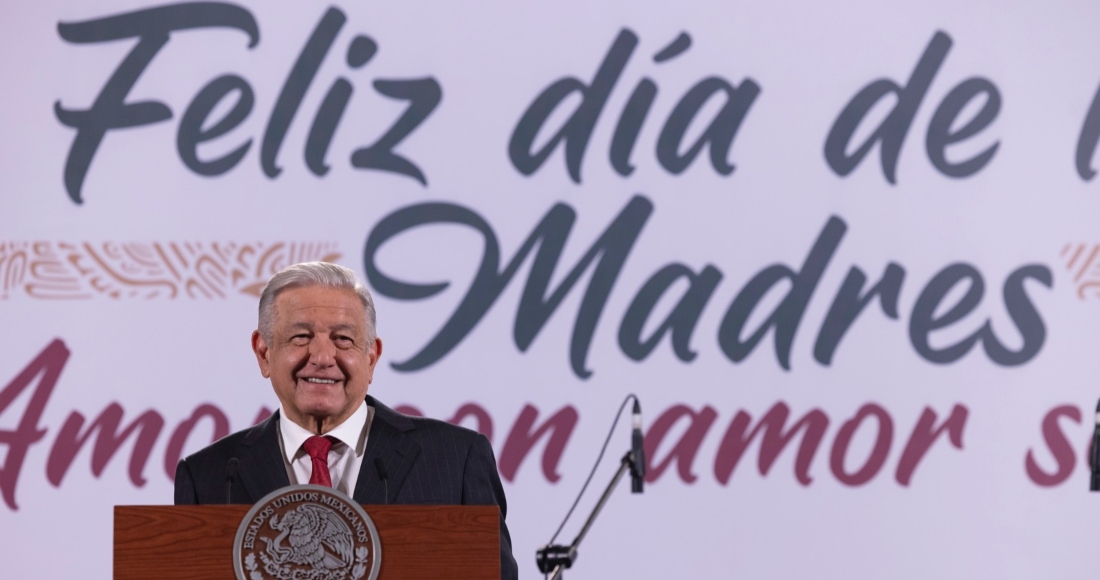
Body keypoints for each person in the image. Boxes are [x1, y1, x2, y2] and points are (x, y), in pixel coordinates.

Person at [174, 261, 518, 579]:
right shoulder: (209, 475)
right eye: (300, 337)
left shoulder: (455, 458)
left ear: (371, 357)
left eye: (343, 339)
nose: (323, 357)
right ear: (264, 353)